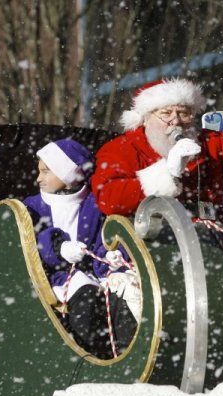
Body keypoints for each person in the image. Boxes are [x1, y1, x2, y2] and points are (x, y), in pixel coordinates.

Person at [91, 39, 223, 220]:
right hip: (151, 242)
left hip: (210, 239)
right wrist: (167, 173)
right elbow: (108, 200)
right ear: (145, 118)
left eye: (184, 113)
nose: (175, 120)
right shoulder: (121, 149)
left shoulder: (207, 143)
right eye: (165, 113)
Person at [23, 139, 139, 358]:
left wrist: (113, 258)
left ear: (68, 178)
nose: (38, 178)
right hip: (55, 277)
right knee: (86, 298)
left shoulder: (94, 204)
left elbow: (103, 239)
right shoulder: (33, 206)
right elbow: (33, 240)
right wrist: (58, 249)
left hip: (93, 274)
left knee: (117, 299)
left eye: (46, 172)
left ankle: (126, 354)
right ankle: (86, 355)